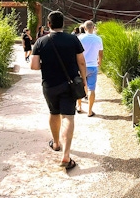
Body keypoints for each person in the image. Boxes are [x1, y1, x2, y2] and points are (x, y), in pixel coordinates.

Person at [31, 11, 87, 170]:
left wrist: (48, 65)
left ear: (48, 24)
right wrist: (83, 81)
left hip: (49, 85)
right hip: (69, 85)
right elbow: (81, 62)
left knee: (53, 113)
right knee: (68, 116)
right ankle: (66, 155)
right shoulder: (73, 39)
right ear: (63, 24)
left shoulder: (41, 41)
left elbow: (34, 66)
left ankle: (56, 143)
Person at [76, 20, 103, 117]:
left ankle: (79, 106)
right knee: (92, 88)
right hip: (93, 66)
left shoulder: (80, 38)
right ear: (94, 27)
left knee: (79, 86)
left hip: (81, 65)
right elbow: (101, 53)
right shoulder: (98, 39)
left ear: (84, 28)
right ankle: (90, 111)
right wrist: (99, 61)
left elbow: (76, 52)